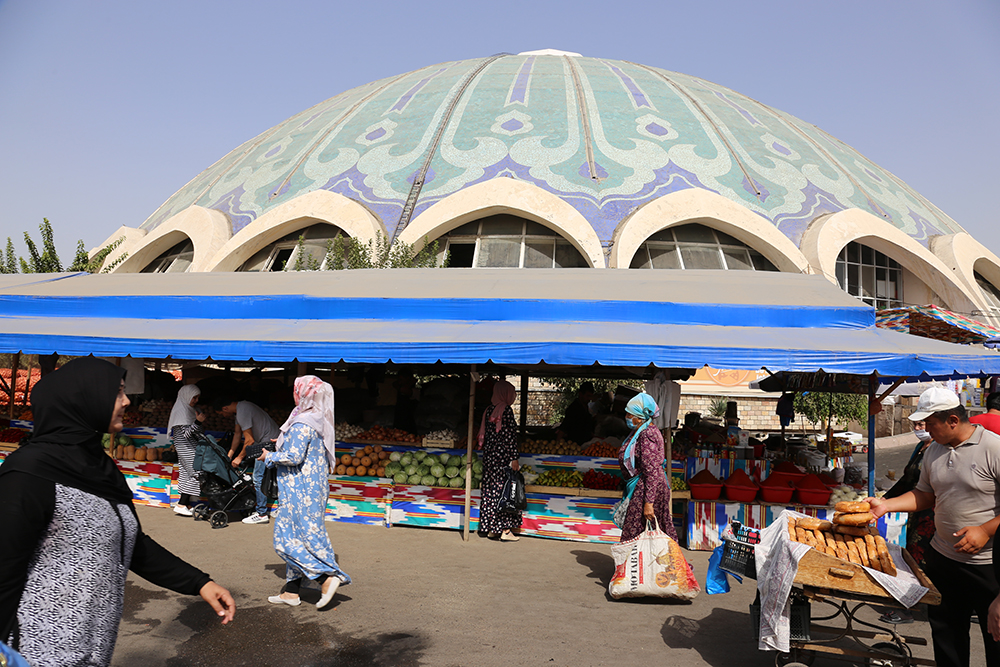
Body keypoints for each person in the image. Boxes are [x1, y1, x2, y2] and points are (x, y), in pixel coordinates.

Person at [0, 357, 234, 667]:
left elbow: (131, 543)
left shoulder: (101, 470)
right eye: (118, 392)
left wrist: (199, 582)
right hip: (37, 651)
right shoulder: (29, 475)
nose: (126, 401)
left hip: (93, 650)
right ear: (84, 398)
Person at [868, 386, 1000, 667]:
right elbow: (925, 494)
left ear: (953, 420)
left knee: (996, 636)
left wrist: (986, 529)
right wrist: (885, 505)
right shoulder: (933, 451)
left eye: (930, 423)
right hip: (943, 558)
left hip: (988, 564)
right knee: (947, 635)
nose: (926, 429)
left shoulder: (994, 448)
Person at [262, 376, 350, 609]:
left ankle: (325, 578)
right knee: (302, 537)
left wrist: (267, 457)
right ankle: (292, 592)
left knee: (284, 541)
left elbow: (293, 457)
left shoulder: (302, 424)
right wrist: (284, 441)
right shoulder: (315, 419)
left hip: (300, 491)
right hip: (311, 490)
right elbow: (299, 448)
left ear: (303, 394)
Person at [878, 420, 935, 624]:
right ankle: (910, 604)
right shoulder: (921, 447)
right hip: (914, 511)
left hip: (931, 514)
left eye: (922, 424)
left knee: (919, 559)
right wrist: (886, 500)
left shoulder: (939, 449)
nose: (918, 429)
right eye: (916, 425)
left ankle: (909, 607)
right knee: (911, 556)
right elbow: (907, 480)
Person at [617, 392, 678, 543]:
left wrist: (648, 503)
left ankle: (663, 565)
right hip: (644, 488)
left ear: (639, 417)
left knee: (641, 532)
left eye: (629, 414)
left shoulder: (647, 435)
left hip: (649, 490)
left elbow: (651, 471)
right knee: (642, 533)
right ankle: (640, 565)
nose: (626, 417)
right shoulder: (640, 431)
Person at [214, 395, 281, 525]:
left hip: (268, 443)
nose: (223, 416)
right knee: (271, 477)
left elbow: (249, 441)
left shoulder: (242, 411)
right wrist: (230, 455)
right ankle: (276, 508)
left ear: (225, 408)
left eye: (221, 413)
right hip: (268, 441)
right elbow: (238, 434)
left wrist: (239, 458)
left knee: (258, 478)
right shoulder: (241, 409)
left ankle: (261, 513)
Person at [477, 380, 521, 542]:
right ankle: (505, 530)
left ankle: (492, 529)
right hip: (503, 459)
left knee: (490, 492)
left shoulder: (489, 410)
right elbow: (510, 437)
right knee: (506, 492)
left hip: (489, 458)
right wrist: (514, 457)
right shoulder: (506, 411)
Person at [168, 384, 205, 516]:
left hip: (188, 446)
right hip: (186, 447)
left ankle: (184, 503)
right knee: (196, 473)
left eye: (197, 398)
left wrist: (198, 422)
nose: (196, 401)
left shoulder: (189, 409)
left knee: (186, 474)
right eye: (194, 397)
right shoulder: (182, 411)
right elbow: (186, 434)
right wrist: (198, 422)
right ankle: (181, 504)